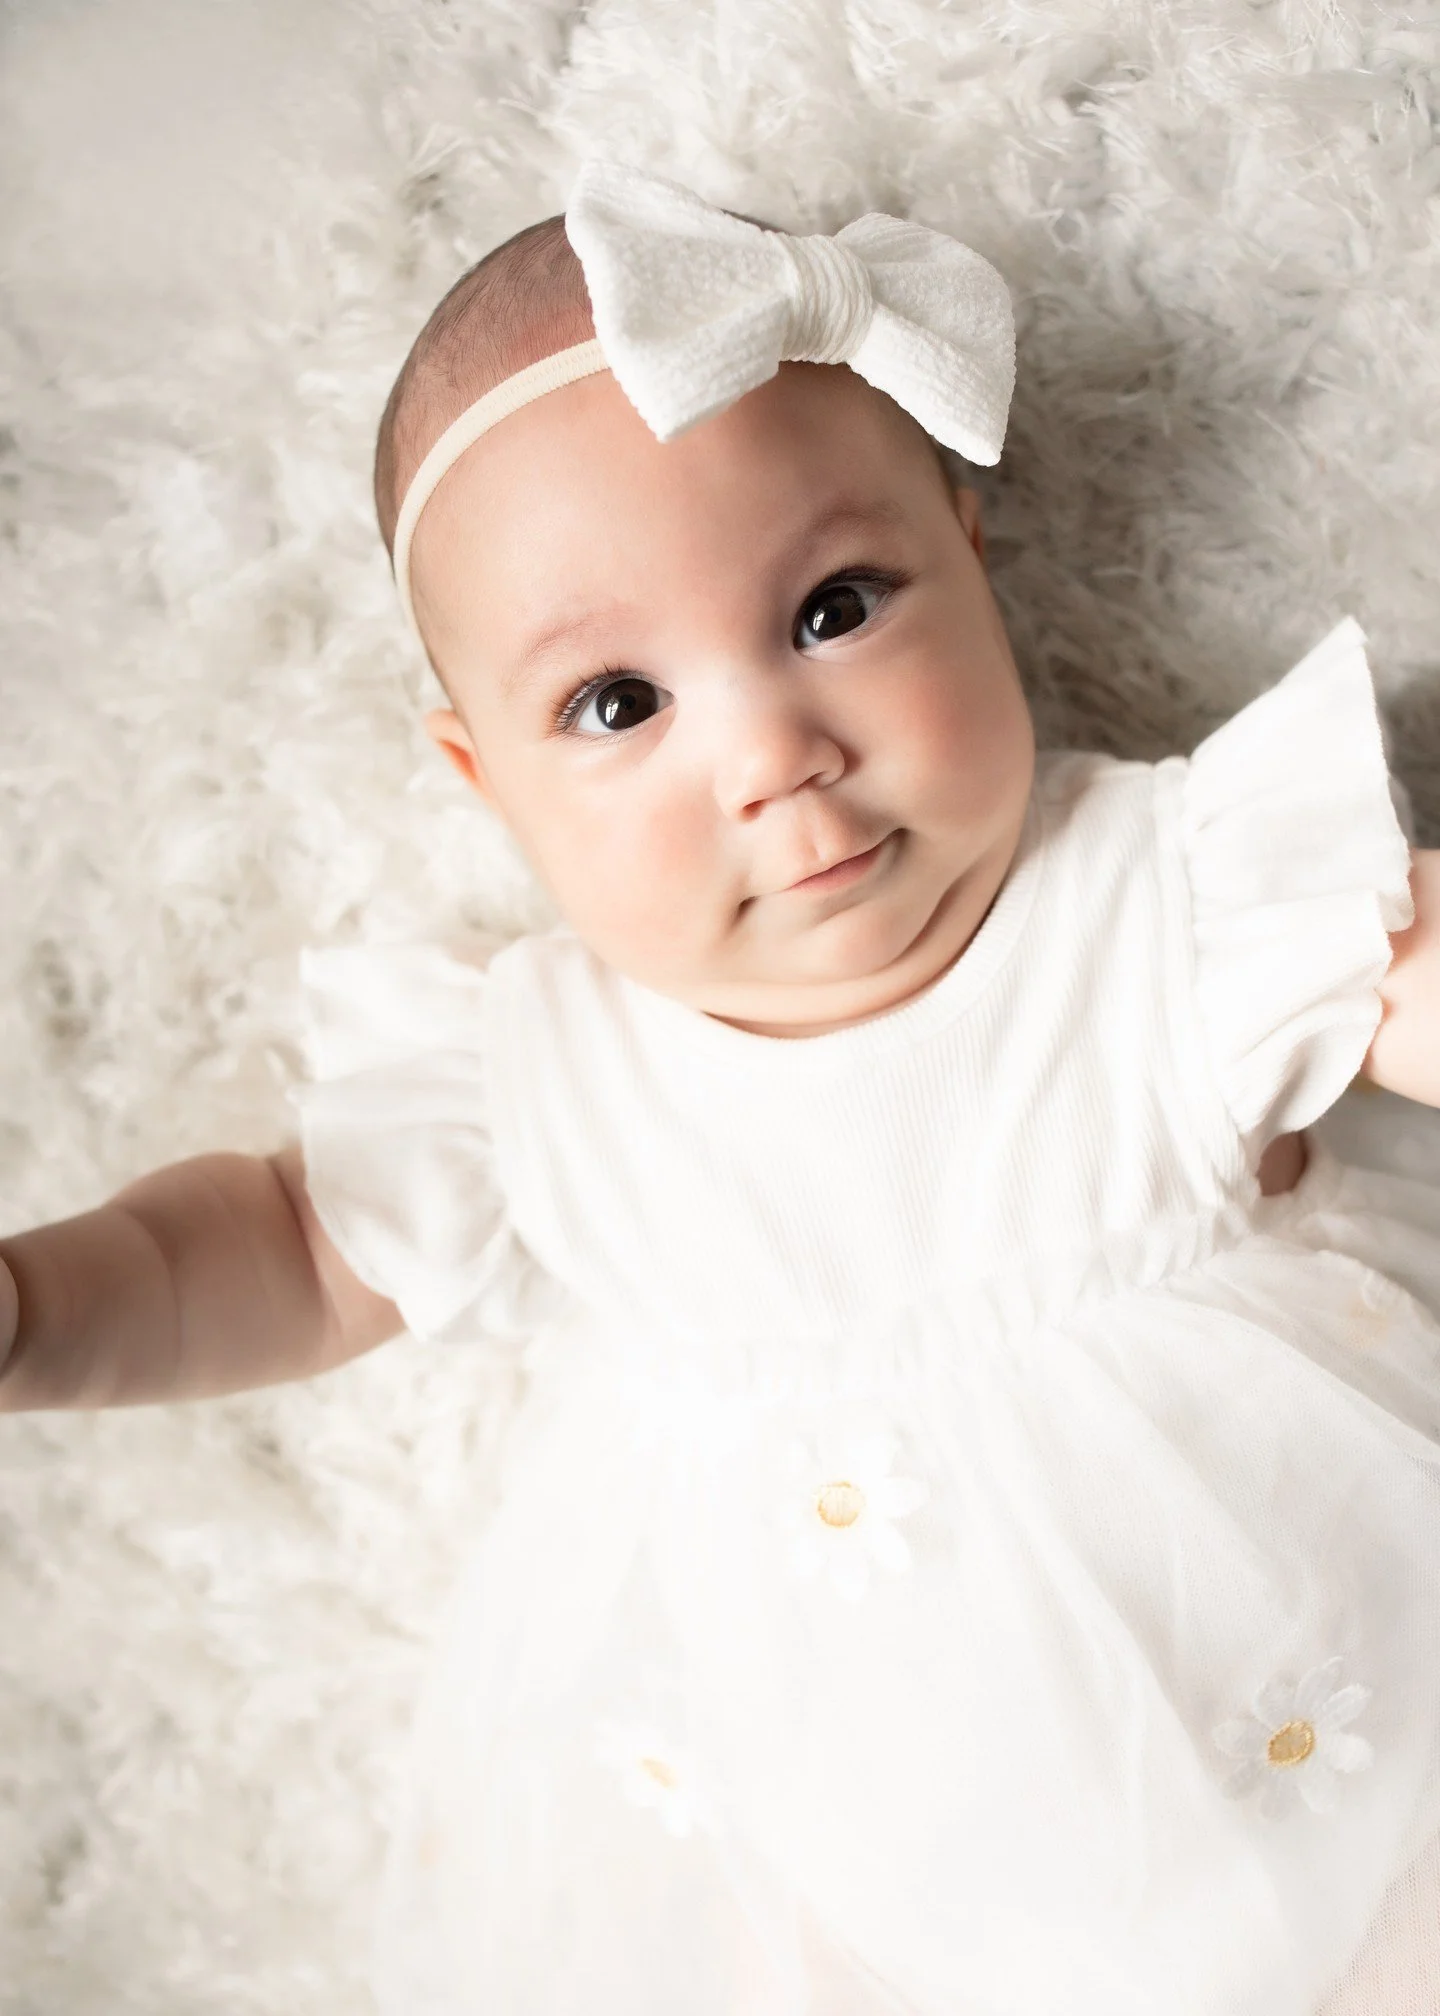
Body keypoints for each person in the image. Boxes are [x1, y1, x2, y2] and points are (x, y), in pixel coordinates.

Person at [3, 158, 1439, 2014]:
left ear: (970, 559)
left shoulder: (1169, 890)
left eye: (836, 605)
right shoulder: (530, 1076)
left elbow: (1401, 956)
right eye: (618, 705)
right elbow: (287, 1240)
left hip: (1337, 1703)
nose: (775, 749)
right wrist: (43, 1308)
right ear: (482, 778)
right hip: (859, 1838)